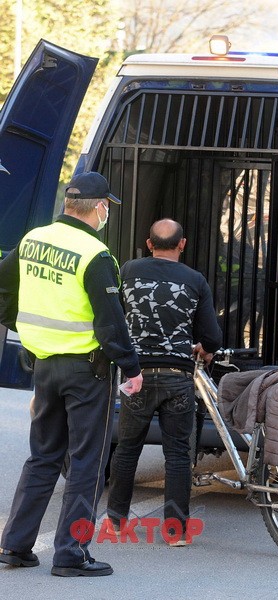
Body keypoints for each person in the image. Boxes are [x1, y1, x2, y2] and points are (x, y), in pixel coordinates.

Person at [0, 172, 143, 576]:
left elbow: (3, 288)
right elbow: (111, 322)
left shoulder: (32, 240)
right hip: (88, 372)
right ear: (99, 207)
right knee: (86, 462)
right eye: (107, 207)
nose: (106, 213)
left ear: (68, 203)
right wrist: (131, 367)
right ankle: (71, 554)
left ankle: (15, 545)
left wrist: (18, 326)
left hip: (44, 365)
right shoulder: (95, 254)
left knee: (43, 456)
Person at [107, 219, 222, 545]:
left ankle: (115, 522)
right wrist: (204, 349)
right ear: (182, 244)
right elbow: (212, 337)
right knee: (178, 455)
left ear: (149, 243)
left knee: (127, 449)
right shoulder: (195, 281)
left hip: (137, 376)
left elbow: (115, 315)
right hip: (178, 378)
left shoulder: (129, 271)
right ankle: (175, 531)